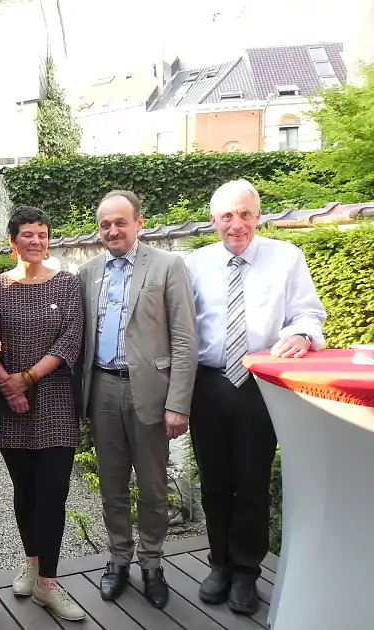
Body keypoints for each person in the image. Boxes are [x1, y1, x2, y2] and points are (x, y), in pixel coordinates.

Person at [185, 179, 325, 615]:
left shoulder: (287, 257)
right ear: (213, 221)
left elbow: (308, 312)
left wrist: (302, 335)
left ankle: (246, 570)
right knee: (214, 480)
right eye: (227, 215)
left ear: (258, 216)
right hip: (207, 383)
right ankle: (219, 563)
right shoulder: (194, 264)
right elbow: (179, 325)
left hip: (259, 382)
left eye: (245, 214)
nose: (237, 224)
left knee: (251, 479)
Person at [78, 190, 198, 610]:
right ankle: (118, 559)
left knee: (152, 486)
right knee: (111, 485)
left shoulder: (167, 266)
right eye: (105, 224)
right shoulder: (88, 272)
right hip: (102, 389)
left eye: (120, 222)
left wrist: (178, 403)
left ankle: (151, 563)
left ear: (139, 223)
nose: (112, 230)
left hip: (150, 391)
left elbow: (185, 338)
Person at [0, 206, 86, 621]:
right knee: (24, 491)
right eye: (28, 234)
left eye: (42, 234)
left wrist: (26, 379)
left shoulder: (66, 284)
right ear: (12, 241)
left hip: (56, 402)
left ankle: (49, 584)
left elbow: (71, 339)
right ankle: (31, 564)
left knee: (53, 493)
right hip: (12, 405)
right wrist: (8, 385)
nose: (36, 241)